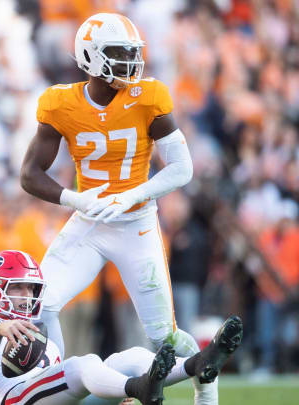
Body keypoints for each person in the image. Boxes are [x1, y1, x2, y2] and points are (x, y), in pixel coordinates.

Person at [19, 13, 217, 404]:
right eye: (118, 52)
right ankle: (59, 390)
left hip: (137, 225)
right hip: (89, 222)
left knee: (165, 336)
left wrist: (130, 195)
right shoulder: (60, 103)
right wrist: (76, 199)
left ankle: (207, 396)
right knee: (41, 306)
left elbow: (182, 168)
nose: (129, 60)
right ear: (89, 57)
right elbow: (29, 174)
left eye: (132, 51)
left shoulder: (149, 96)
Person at [0, 250, 243, 405]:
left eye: (31, 289)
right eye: (18, 288)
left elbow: (57, 388)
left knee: (130, 357)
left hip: (41, 399)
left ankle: (196, 364)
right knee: (82, 365)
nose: (27, 296)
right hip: (7, 400)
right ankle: (138, 387)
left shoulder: (42, 333)